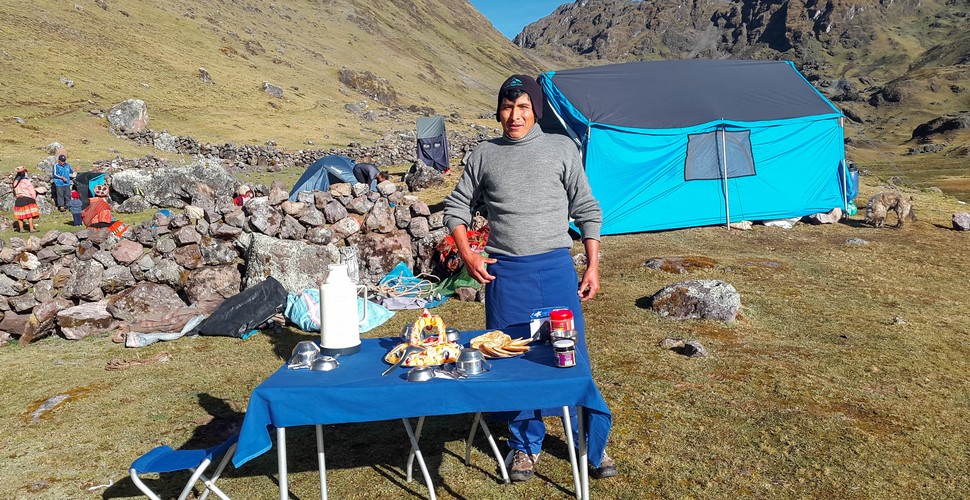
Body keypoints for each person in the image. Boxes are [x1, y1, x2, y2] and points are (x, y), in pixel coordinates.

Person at [443, 74, 615, 482]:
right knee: (512, 361)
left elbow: (587, 208)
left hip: (555, 269)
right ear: (498, 110)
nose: (514, 116)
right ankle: (524, 446)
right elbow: (456, 208)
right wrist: (468, 253)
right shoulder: (484, 154)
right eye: (507, 107)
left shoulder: (561, 148)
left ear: (535, 109)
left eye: (522, 107)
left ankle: (590, 441)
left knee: (568, 355)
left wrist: (592, 266)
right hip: (505, 276)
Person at [12, 166, 40, 233]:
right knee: (29, 215)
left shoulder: (15, 182)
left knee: (20, 216)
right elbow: (32, 191)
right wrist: (34, 198)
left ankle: (21, 229)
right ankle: (31, 228)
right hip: (27, 199)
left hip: (18, 199)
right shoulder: (26, 181)